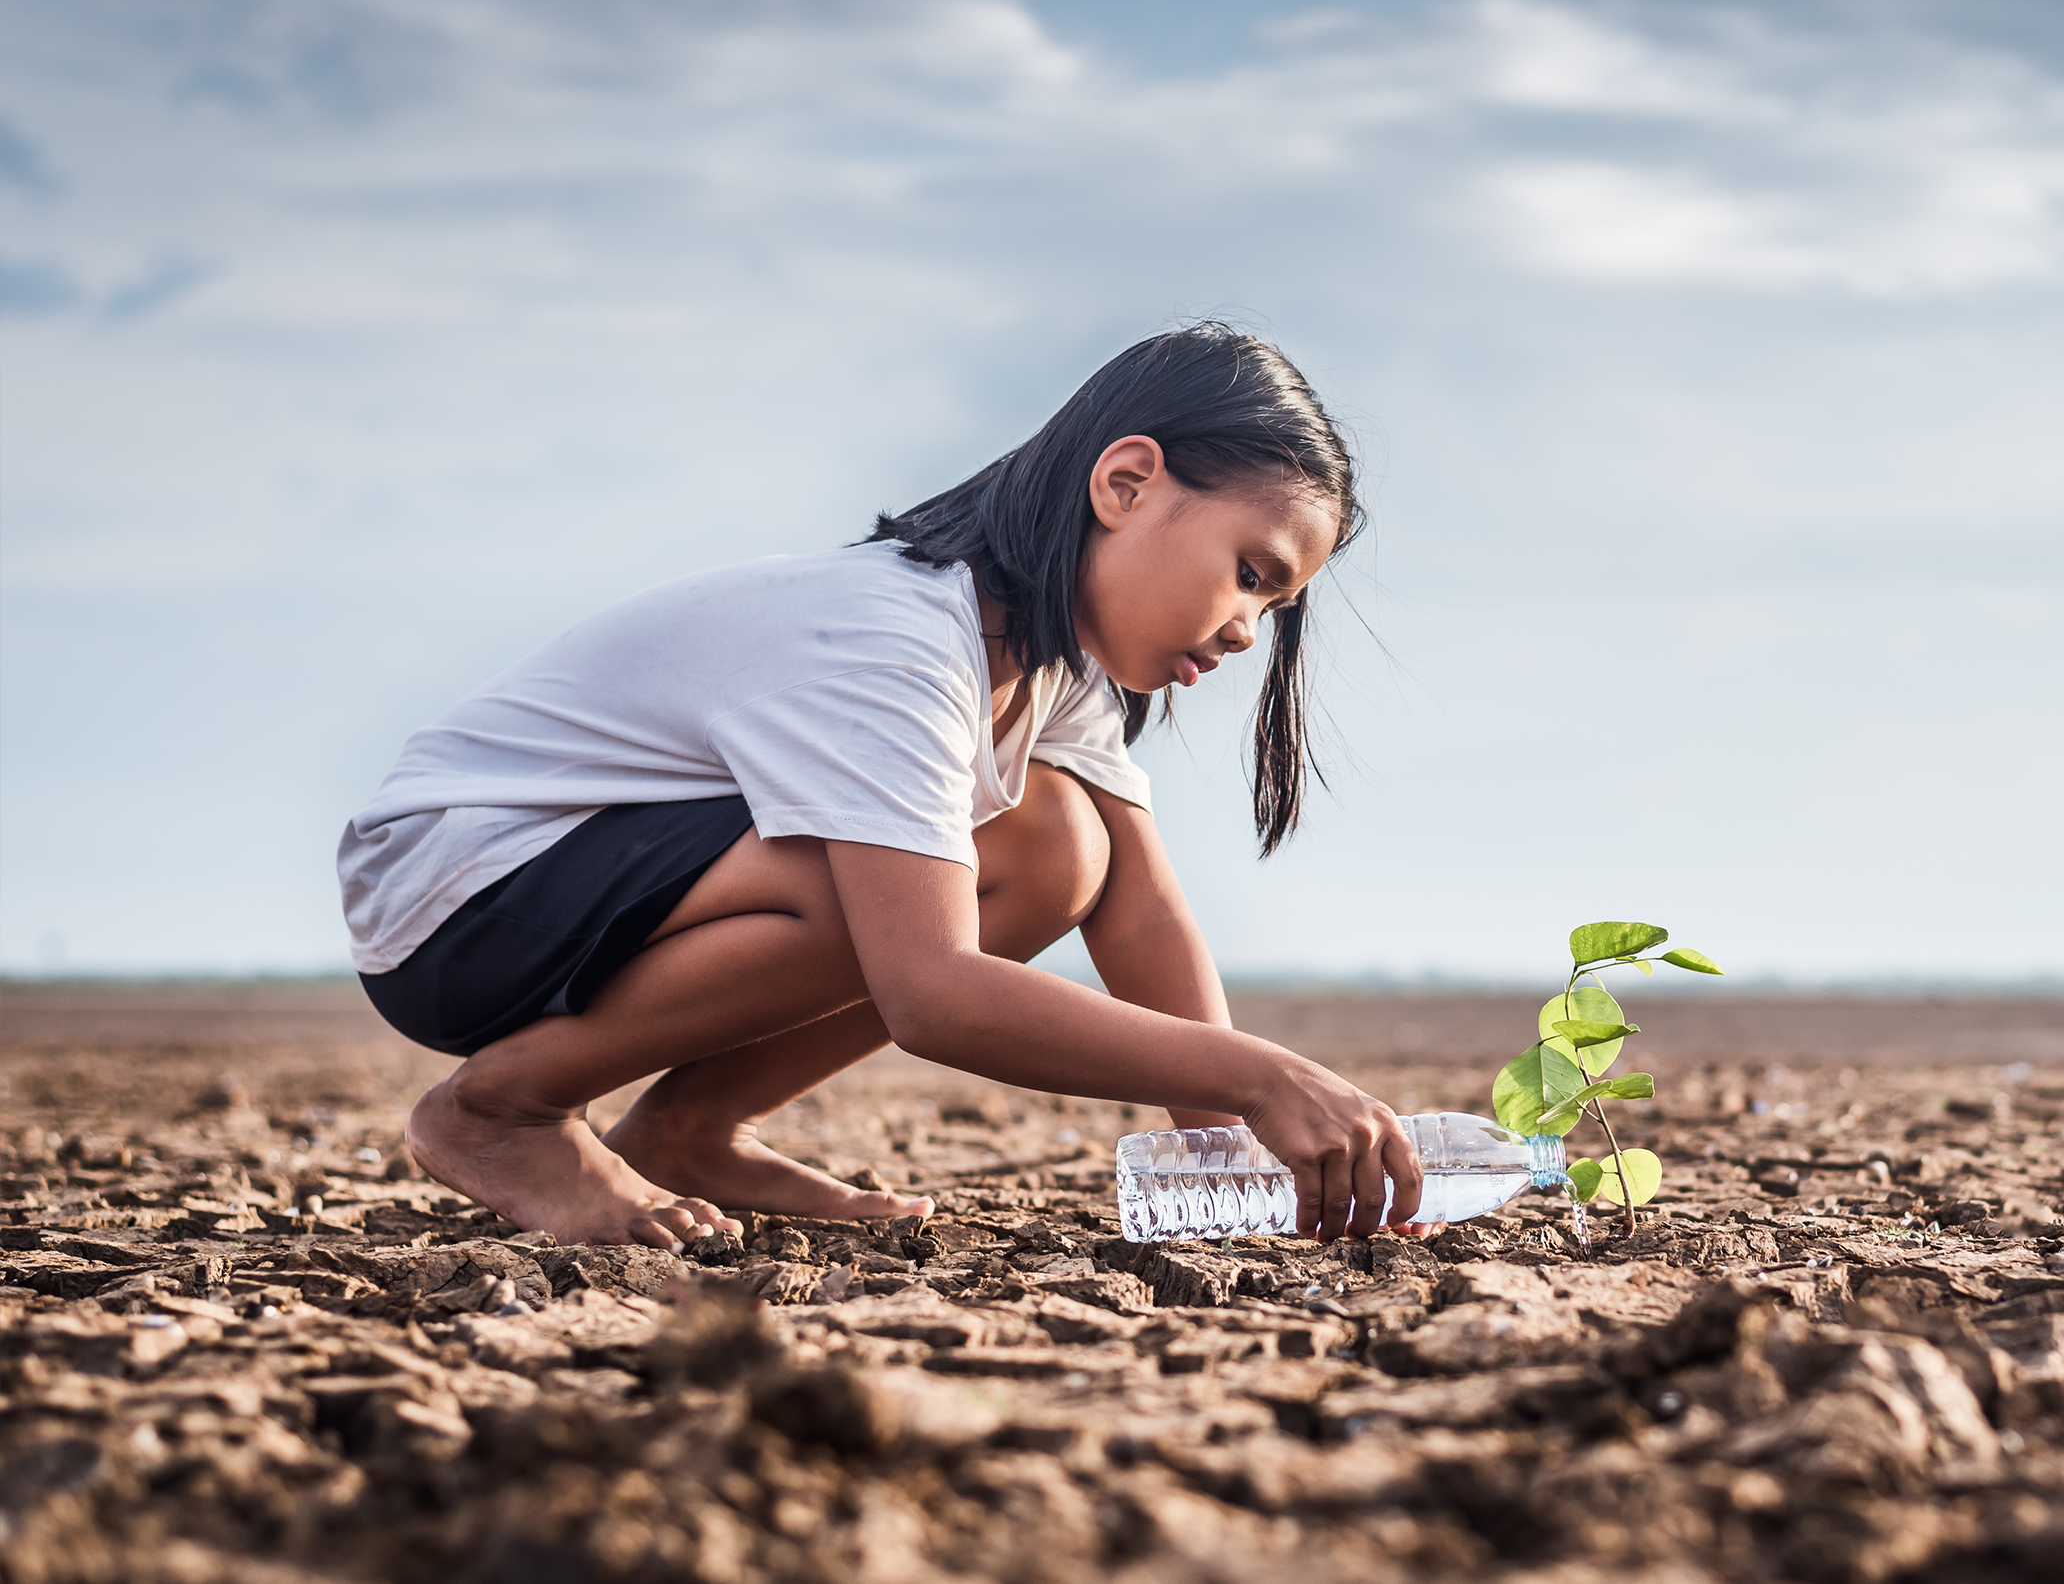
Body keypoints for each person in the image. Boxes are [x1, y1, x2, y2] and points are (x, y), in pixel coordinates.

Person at [336, 324, 1419, 1250]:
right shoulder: (899, 640)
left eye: (1274, 607)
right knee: (904, 871)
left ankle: (689, 1131)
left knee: (1057, 845)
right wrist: (1261, 1075)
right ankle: (504, 1108)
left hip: (589, 879)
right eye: (1250, 572)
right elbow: (932, 990)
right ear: (1125, 483)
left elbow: (1141, 916)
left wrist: (1229, 1162)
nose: (1246, 629)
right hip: (462, 888)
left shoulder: (1050, 662)